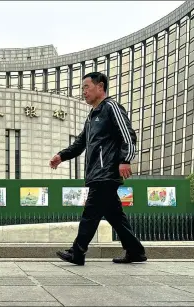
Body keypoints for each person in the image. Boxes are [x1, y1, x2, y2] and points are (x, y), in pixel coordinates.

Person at [49, 72, 147, 266]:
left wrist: (125, 159)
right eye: (82, 88)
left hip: (107, 173)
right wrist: (62, 155)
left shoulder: (111, 107)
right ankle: (135, 251)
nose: (83, 92)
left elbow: (128, 135)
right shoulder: (91, 116)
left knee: (91, 212)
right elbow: (80, 143)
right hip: (96, 174)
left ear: (100, 87)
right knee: (115, 216)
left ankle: (78, 252)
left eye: (86, 87)